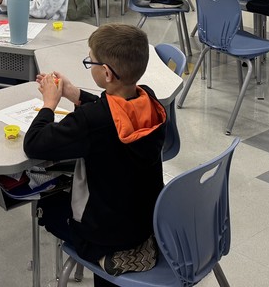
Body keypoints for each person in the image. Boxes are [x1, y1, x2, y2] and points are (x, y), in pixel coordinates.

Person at [24, 24, 166, 285]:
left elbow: (34, 143)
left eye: (91, 61)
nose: (90, 65)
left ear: (107, 73)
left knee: (48, 205)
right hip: (146, 222)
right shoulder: (149, 100)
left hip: (104, 235)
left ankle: (104, 258)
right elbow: (112, 112)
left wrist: (49, 104)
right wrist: (74, 94)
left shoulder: (92, 122)